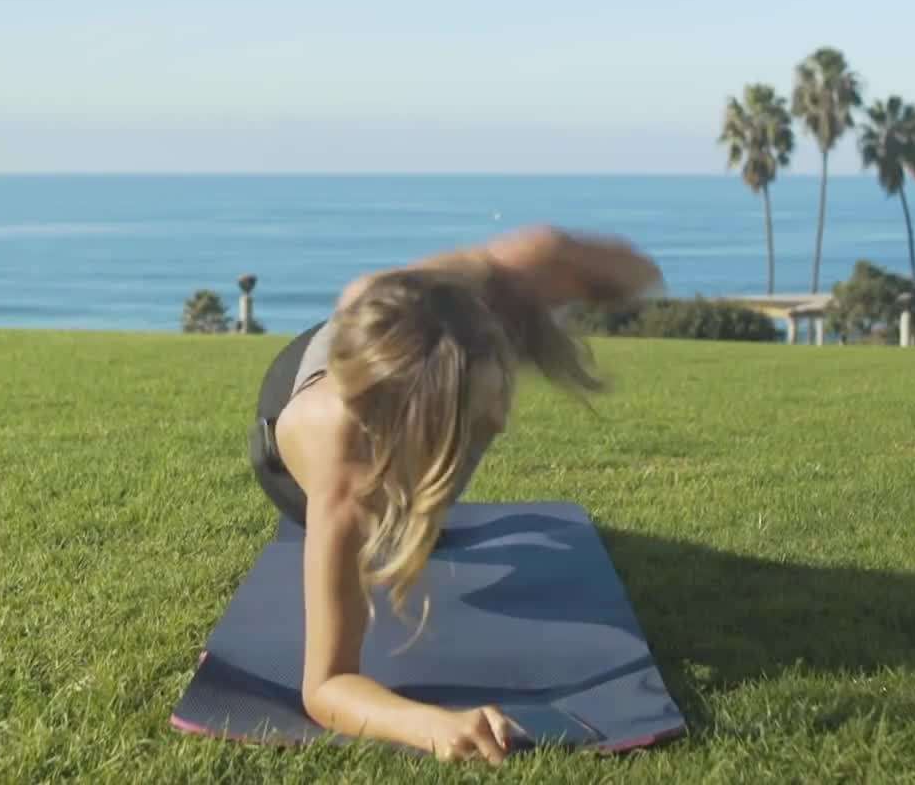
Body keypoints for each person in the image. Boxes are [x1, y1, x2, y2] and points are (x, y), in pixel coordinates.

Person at [246, 225, 663, 763]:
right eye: (478, 425)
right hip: (299, 420)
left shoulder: (461, 296)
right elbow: (326, 686)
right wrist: (429, 726)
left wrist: (612, 272)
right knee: (392, 530)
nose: (503, 424)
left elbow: (569, 258)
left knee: (400, 296)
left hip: (385, 331)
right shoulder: (346, 483)